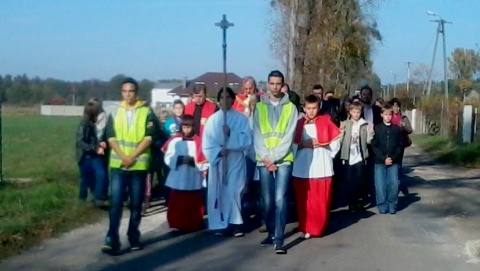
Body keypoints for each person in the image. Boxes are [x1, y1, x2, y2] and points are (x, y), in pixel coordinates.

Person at [101, 77, 158, 255]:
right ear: (121, 93)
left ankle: (133, 235)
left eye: (131, 91)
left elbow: (149, 137)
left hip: (138, 166)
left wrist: (132, 156)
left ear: (137, 93)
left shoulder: (147, 112)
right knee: (116, 203)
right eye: (124, 91)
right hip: (119, 165)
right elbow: (110, 137)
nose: (127, 94)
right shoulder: (114, 112)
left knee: (136, 204)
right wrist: (122, 156)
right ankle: (112, 238)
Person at [253, 70, 298, 254]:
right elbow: (256, 134)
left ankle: (279, 239)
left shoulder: (291, 108)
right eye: (272, 83)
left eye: (278, 84)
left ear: (283, 85)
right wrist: (265, 157)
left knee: (281, 199)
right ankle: (271, 232)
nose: (275, 87)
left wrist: (274, 158)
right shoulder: (259, 107)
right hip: (263, 159)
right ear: (267, 84)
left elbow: (288, 136)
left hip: (283, 159)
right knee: (268, 200)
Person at [202, 87, 252, 237]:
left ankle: (235, 223)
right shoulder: (213, 120)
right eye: (222, 98)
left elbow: (247, 140)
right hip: (219, 161)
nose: (225, 100)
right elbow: (207, 142)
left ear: (233, 99)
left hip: (235, 159)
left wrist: (230, 134)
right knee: (218, 192)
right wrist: (217, 152)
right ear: (218, 101)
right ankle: (219, 223)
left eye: (228, 97)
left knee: (234, 191)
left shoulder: (242, 118)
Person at [292, 94, 341, 239]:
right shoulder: (299, 123)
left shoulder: (326, 121)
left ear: (318, 107)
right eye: (308, 108)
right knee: (304, 199)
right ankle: (306, 226)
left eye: (314, 108)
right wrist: (302, 145)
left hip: (321, 165)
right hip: (303, 166)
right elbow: (291, 143)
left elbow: (336, 140)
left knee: (320, 199)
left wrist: (327, 152)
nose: (311, 111)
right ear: (304, 108)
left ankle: (317, 227)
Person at [162, 115, 209, 232]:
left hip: (193, 176)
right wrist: (179, 159)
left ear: (193, 127)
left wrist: (194, 161)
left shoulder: (199, 141)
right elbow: (168, 156)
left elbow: (205, 159)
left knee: (193, 202)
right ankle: (177, 223)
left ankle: (194, 223)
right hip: (179, 176)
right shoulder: (175, 140)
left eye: (189, 127)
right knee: (177, 202)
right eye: (184, 127)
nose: (186, 130)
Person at [339, 102, 372, 211]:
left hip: (360, 156)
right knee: (349, 181)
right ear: (350, 112)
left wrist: (371, 133)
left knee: (359, 180)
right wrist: (341, 130)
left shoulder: (364, 124)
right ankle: (351, 202)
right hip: (348, 157)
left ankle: (359, 201)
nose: (356, 114)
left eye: (358, 112)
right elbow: (340, 140)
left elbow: (368, 141)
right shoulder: (346, 124)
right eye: (354, 112)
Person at [371, 104, 403, 214]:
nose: (388, 117)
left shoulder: (397, 129)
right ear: (381, 115)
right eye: (385, 115)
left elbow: (400, 145)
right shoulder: (377, 128)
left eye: (390, 115)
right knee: (380, 184)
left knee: (393, 183)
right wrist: (383, 158)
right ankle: (382, 204)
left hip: (394, 161)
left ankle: (392, 203)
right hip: (380, 161)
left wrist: (393, 158)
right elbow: (374, 145)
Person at [76, 100, 107, 206]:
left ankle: (97, 198)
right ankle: (83, 199)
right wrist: (95, 148)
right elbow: (81, 142)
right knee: (87, 178)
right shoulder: (83, 125)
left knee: (99, 174)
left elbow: (92, 140)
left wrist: (100, 144)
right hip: (85, 156)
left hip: (92, 154)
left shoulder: (91, 124)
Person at [389, 98, 413, 195]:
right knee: (391, 164)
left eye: (397, 106)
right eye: (394, 106)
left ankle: (400, 186)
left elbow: (410, 130)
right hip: (389, 144)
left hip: (400, 144)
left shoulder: (403, 117)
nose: (396, 108)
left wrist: (404, 126)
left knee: (398, 165)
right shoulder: (388, 115)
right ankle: (392, 184)